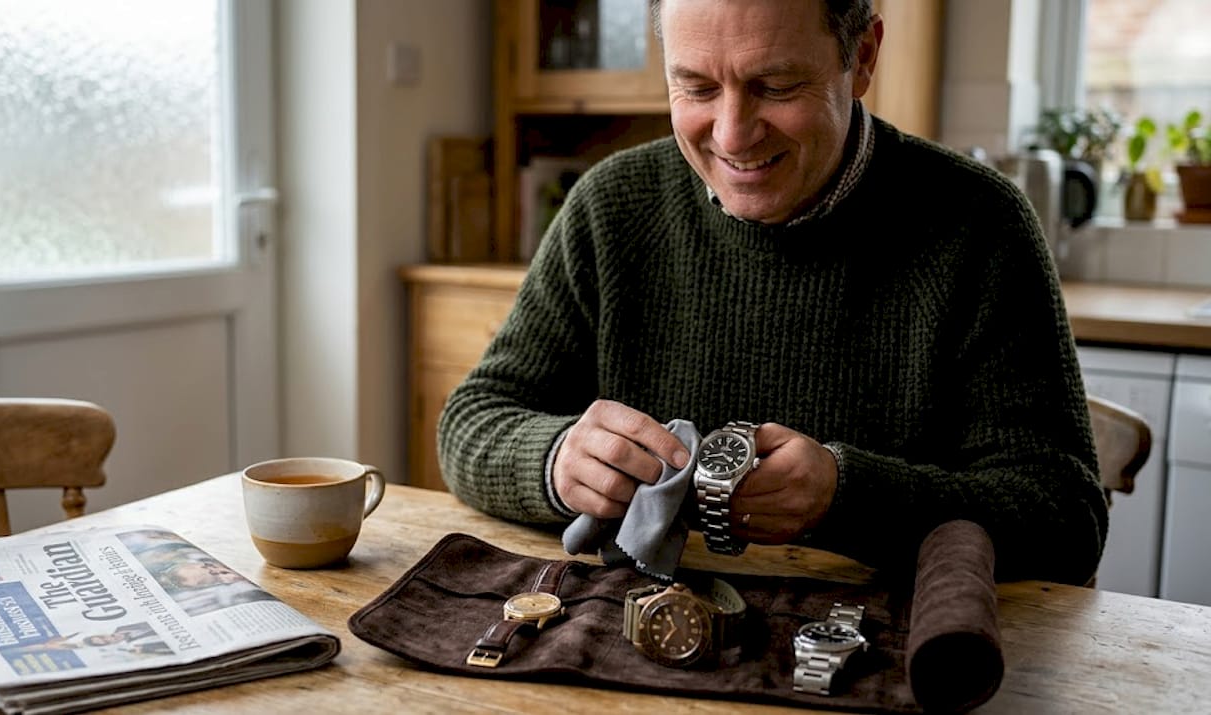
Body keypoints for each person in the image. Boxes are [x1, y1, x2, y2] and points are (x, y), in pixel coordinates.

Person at [437, 0, 1107, 585]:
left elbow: (1065, 520)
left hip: (883, 660)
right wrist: (556, 460)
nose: (731, 135)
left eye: (776, 85)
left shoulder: (980, 227)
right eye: (695, 88)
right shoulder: (610, 208)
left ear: (863, 56)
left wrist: (848, 496)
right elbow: (472, 420)